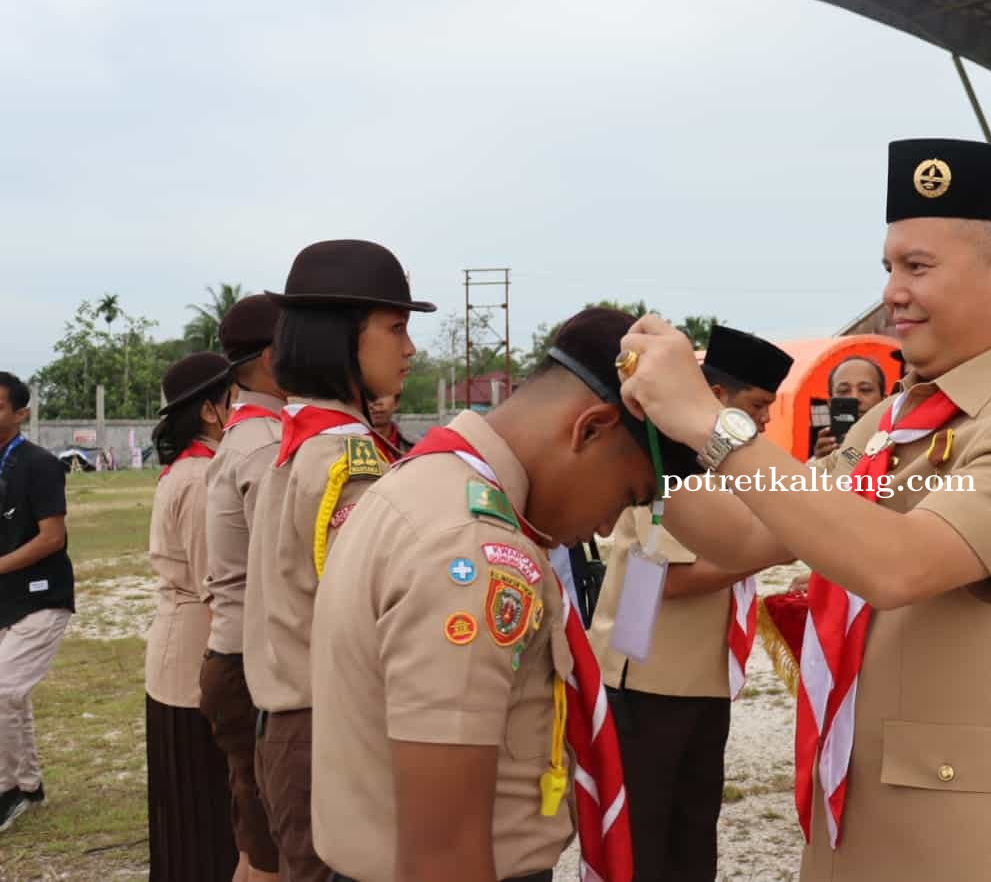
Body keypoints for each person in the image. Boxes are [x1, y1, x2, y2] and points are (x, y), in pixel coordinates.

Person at [614, 138, 991, 880]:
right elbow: (745, 534)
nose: (893, 292)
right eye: (888, 267)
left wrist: (711, 424)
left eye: (917, 267)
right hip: (854, 809)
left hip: (971, 842)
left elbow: (898, 564)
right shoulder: (888, 424)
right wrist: (654, 437)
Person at [309, 308, 703, 882]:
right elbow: (444, 854)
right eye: (626, 495)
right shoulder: (471, 551)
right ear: (590, 429)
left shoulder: (428, 482)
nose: (603, 526)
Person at [243, 240, 434, 881]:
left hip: (295, 722)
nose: (410, 349)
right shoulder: (345, 460)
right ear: (343, 337)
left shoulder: (305, 435)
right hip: (327, 729)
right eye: (396, 328)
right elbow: (375, 614)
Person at [587, 324, 793, 881]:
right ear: (716, 397)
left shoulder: (725, 466)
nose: (766, 421)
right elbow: (673, 581)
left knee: (692, 838)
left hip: (699, 681)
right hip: (651, 684)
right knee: (644, 846)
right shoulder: (671, 459)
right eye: (758, 405)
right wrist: (781, 548)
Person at [199, 294, 287, 882]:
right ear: (273, 357)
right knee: (269, 855)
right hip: (251, 665)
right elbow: (287, 569)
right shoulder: (264, 444)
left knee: (258, 843)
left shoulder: (253, 432)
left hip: (237, 657)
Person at [146, 351, 238, 881]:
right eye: (235, 399)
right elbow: (215, 587)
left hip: (182, 651)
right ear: (209, 411)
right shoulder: (202, 478)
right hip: (194, 660)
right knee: (201, 807)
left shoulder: (193, 469)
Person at [0, 372, 73, 833]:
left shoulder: (40, 465)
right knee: (12, 697)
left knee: (3, 690)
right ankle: (28, 786)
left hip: (42, 597)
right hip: (4, 601)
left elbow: (52, 538)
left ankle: (7, 790)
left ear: (21, 413)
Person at [811, 356, 888, 459]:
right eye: (843, 391)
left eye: (865, 389)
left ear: (884, 400)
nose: (855, 397)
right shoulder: (820, 459)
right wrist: (819, 464)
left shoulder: (901, 447)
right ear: (830, 403)